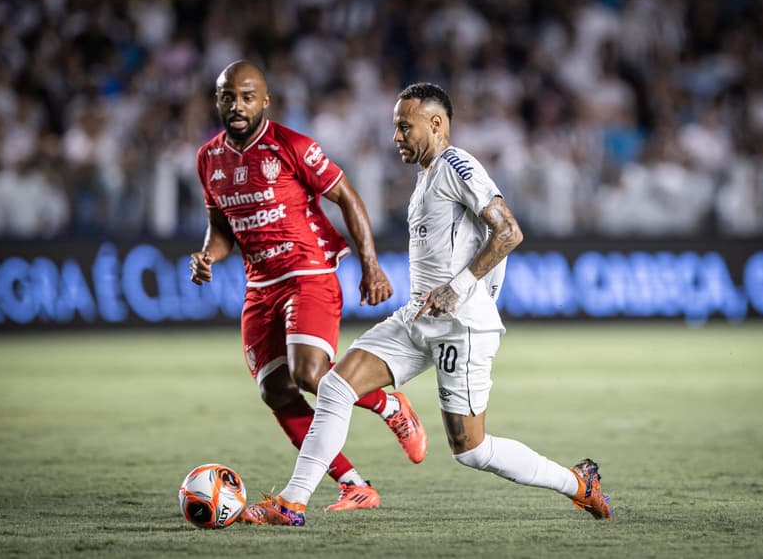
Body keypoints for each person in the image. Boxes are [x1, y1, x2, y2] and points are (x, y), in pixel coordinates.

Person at [248, 82, 613, 525]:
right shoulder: (426, 176)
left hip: (461, 324)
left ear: (436, 123)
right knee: (335, 386)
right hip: (419, 317)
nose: (396, 137)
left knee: (471, 450)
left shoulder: (457, 165)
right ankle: (293, 503)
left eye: (405, 127)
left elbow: (509, 232)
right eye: (394, 128)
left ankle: (578, 484)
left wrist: (458, 289)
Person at [189, 61, 428, 516]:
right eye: (227, 97)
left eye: (246, 96)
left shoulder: (291, 145)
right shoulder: (208, 158)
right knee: (275, 390)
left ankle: (388, 403)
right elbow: (221, 228)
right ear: (217, 101)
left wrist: (370, 266)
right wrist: (207, 257)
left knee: (309, 373)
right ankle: (354, 485)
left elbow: (348, 197)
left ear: (265, 102)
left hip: (309, 273)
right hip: (260, 286)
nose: (236, 106)